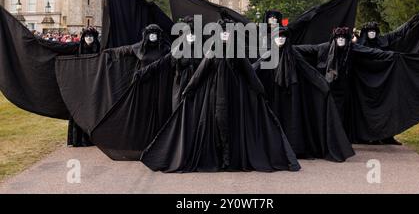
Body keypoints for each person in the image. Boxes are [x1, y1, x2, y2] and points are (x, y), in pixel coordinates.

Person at [141, 19, 300, 173]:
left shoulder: (236, 52)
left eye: (227, 33)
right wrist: (188, 90)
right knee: (218, 122)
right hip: (215, 96)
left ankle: (228, 158)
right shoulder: (212, 51)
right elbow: (200, 73)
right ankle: (222, 157)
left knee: (231, 123)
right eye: (222, 33)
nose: (225, 36)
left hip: (234, 96)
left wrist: (260, 91)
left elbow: (249, 73)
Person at [254, 27, 354, 162]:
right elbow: (257, 66)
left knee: (293, 120)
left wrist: (322, 85)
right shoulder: (270, 54)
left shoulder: (293, 53)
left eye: (283, 37)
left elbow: (308, 70)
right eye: (278, 37)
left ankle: (294, 148)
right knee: (277, 118)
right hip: (276, 93)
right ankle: (277, 148)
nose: (281, 39)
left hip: (293, 94)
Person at [67, 27, 101, 148]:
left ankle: (93, 138)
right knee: (79, 109)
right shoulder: (78, 47)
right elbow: (60, 47)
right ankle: (77, 139)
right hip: (80, 84)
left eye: (91, 36)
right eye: (86, 36)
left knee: (93, 110)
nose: (89, 38)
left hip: (94, 85)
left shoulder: (100, 48)